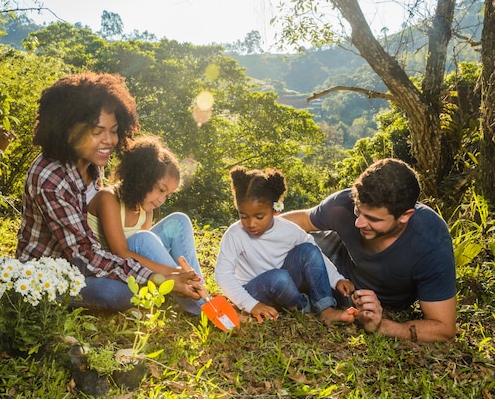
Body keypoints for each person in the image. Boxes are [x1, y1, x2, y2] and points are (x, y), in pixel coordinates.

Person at [16, 72, 201, 311]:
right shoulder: (50, 179)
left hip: (97, 257)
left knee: (172, 226)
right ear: (68, 128)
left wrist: (165, 272)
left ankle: (194, 290)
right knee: (114, 293)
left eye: (113, 130)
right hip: (55, 271)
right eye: (97, 131)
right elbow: (85, 256)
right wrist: (160, 277)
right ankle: (179, 293)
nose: (109, 140)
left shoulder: (91, 163)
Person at [281, 158, 456, 342]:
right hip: (333, 254)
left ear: (405, 216)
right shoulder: (343, 203)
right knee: (292, 247)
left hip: (362, 297)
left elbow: (444, 328)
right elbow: (303, 219)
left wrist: (383, 326)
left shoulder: (430, 241)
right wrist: (251, 235)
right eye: (358, 210)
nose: (359, 223)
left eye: (373, 219)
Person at [214, 166, 357, 324]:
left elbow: (315, 254)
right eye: (244, 216)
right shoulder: (235, 235)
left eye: (259, 217)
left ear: (275, 210)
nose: (251, 223)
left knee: (308, 250)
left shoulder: (289, 230)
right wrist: (251, 304)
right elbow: (223, 274)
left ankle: (325, 309)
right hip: (254, 291)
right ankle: (302, 306)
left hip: (286, 284)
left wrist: (337, 279)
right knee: (278, 277)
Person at [87, 135, 204, 314]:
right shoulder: (107, 198)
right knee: (143, 238)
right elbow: (120, 252)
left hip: (135, 264)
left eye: (167, 195)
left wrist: (180, 274)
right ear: (142, 178)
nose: (161, 200)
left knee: (179, 220)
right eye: (161, 190)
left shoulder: (146, 208)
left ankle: (198, 287)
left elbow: (146, 253)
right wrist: (174, 273)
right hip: (110, 265)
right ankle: (202, 306)